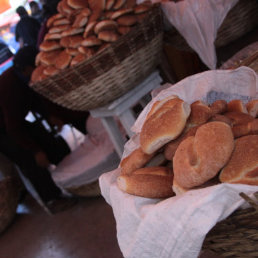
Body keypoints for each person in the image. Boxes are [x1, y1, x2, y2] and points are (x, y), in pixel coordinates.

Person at [0, 46, 88, 211]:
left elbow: (35, 100)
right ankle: (52, 199)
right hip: (4, 130)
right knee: (30, 160)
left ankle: (74, 179)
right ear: (27, 69)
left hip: (15, 121)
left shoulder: (25, 77)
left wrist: (49, 116)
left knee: (49, 141)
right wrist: (35, 151)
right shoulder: (8, 86)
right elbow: (13, 128)